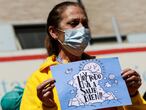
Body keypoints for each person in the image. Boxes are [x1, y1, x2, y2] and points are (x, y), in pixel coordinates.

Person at [20, 1, 146, 110]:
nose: (82, 29)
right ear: (54, 32)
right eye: (73, 23)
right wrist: (47, 106)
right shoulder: (40, 79)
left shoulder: (105, 71)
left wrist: (133, 95)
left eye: (85, 24)